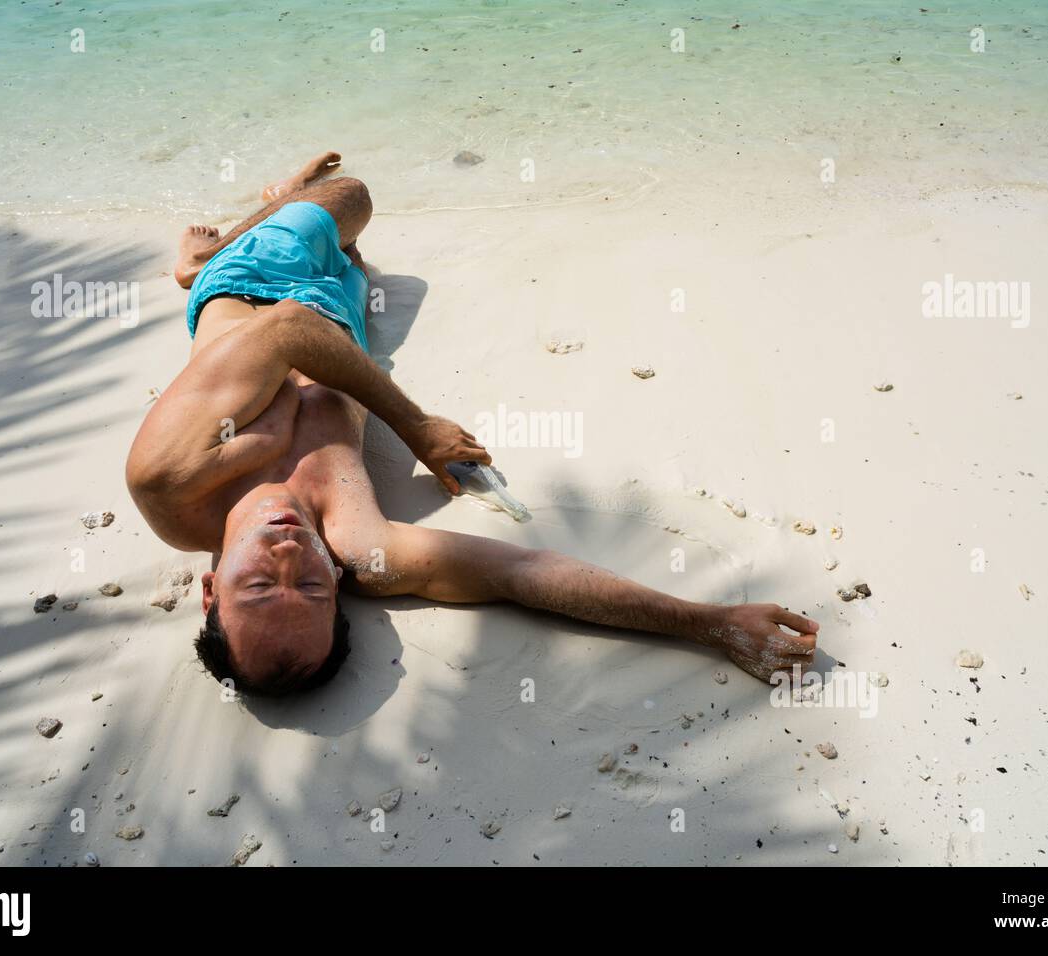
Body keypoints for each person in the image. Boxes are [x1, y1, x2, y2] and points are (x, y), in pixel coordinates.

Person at [125, 152, 818, 696]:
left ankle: (203, 258)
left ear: (211, 591)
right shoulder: (361, 545)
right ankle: (301, 228)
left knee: (354, 197)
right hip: (346, 320)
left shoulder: (170, 483)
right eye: (308, 587)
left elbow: (286, 330)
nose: (287, 557)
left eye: (256, 585)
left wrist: (419, 428)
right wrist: (711, 623)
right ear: (335, 588)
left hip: (257, 285)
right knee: (356, 250)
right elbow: (522, 571)